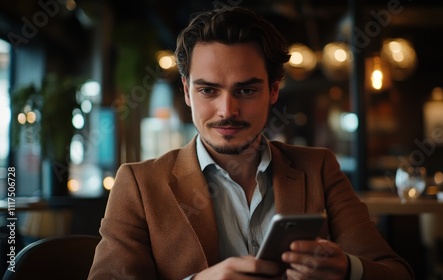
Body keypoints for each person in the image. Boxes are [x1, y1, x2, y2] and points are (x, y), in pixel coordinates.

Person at [89, 6, 414, 280]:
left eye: (246, 90)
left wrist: (347, 269)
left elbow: (396, 273)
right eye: (208, 90)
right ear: (187, 91)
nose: (227, 110)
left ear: (273, 90)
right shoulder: (138, 184)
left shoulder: (318, 168)